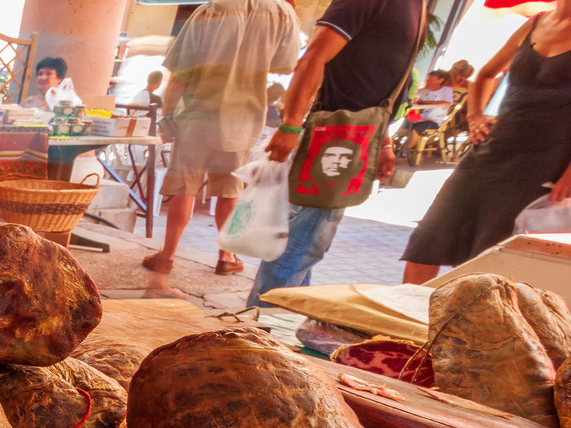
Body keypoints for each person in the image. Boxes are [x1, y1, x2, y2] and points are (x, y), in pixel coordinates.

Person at [248, 0, 426, 307]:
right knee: (300, 242)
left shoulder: (418, 6)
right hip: (335, 134)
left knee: (309, 242)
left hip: (361, 134)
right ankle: (256, 329)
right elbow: (314, 56)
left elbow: (384, 82)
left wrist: (383, 142)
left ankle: (272, 326)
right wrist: (290, 125)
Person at [402, 7, 571, 281]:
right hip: (493, 149)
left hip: (544, 163)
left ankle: (466, 318)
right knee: (428, 241)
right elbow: (485, 74)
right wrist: (475, 116)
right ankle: (400, 317)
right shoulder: (535, 23)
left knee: (492, 258)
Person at [141, 0, 299, 277]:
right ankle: (226, 256)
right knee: (229, 189)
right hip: (243, 118)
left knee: (184, 186)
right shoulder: (283, 13)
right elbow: (285, 67)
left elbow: (180, 70)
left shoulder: (211, 8)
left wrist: (167, 115)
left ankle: (167, 256)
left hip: (197, 115)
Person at [404, 68, 454, 136]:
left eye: (430, 79)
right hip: (417, 118)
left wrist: (425, 101)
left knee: (416, 129)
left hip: (433, 122)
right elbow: (412, 98)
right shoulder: (424, 90)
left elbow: (447, 103)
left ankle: (408, 146)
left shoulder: (446, 90)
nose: (427, 81)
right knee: (398, 123)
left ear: (440, 80)